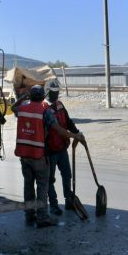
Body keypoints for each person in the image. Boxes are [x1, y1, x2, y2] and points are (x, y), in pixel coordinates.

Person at [13, 85, 84, 228]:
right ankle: (43, 218)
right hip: (39, 155)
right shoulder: (44, 111)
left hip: (24, 155)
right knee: (42, 187)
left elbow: (12, 107)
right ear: (43, 96)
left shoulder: (22, 109)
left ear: (31, 96)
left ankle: (29, 216)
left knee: (28, 186)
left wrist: (23, 97)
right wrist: (75, 135)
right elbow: (59, 130)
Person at [44, 80, 83, 215]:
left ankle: (68, 200)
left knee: (67, 175)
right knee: (50, 179)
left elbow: (68, 121)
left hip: (62, 148)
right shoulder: (44, 108)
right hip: (50, 151)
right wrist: (74, 135)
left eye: (57, 92)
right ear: (47, 92)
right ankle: (54, 205)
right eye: (54, 92)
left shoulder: (60, 105)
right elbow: (57, 129)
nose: (56, 95)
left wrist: (77, 132)